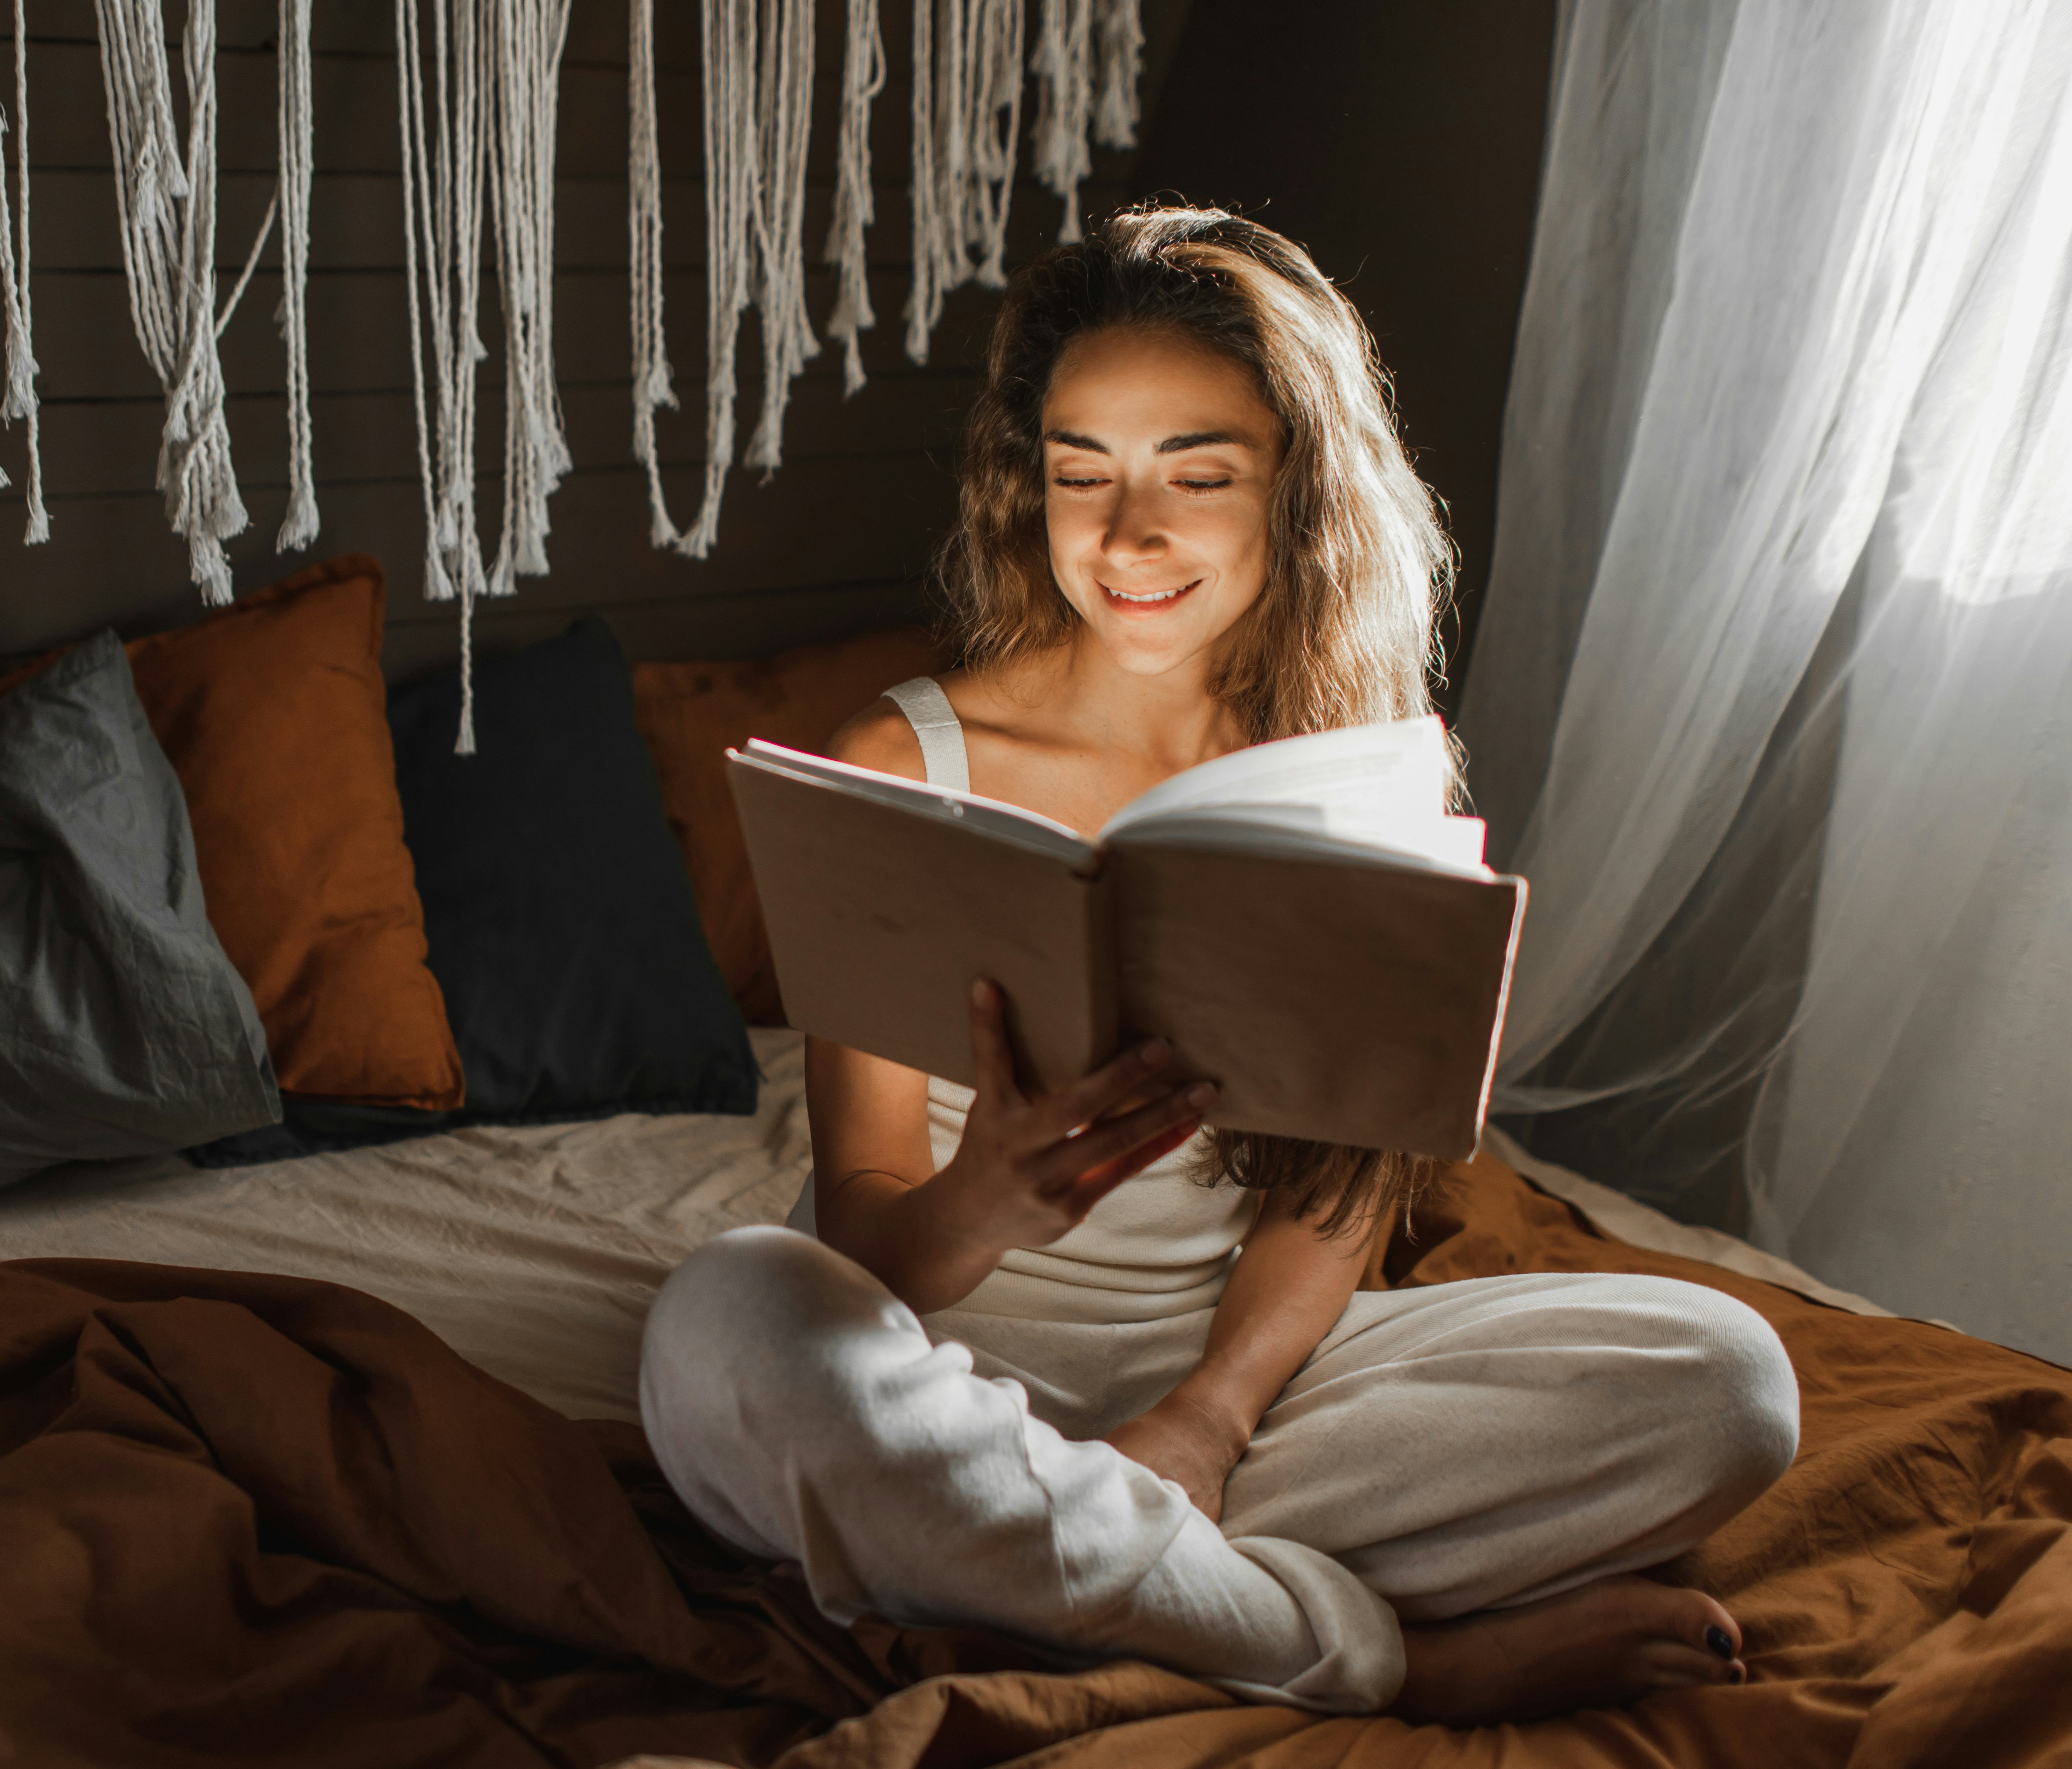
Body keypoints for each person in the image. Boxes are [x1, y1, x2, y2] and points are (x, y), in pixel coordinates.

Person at [638, 207, 1799, 1723]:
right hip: (925, 1372)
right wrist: (990, 1193)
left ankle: (1066, 1571)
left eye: (1198, 475)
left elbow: (1338, 1190)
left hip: (1238, 1391)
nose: (1128, 536)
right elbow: (861, 1252)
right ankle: (1382, 1658)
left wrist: (1203, 1419)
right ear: (1028, 486)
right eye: (1080, 475)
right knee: (726, 1323)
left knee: (1727, 1382)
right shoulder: (900, 759)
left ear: (1299, 498)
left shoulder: (1365, 785)